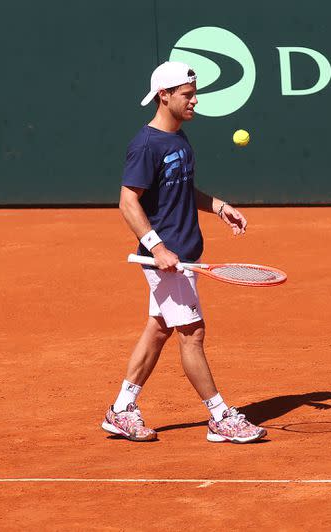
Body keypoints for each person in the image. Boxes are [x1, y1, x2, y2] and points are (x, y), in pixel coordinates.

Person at [101, 61, 266, 443]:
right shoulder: (146, 144)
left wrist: (220, 206)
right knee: (192, 333)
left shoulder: (178, 139)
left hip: (182, 254)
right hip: (167, 259)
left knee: (159, 329)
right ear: (165, 96)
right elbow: (128, 202)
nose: (195, 101)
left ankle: (122, 409)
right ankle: (220, 417)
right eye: (187, 95)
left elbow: (180, 190)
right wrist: (157, 247)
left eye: (194, 93)